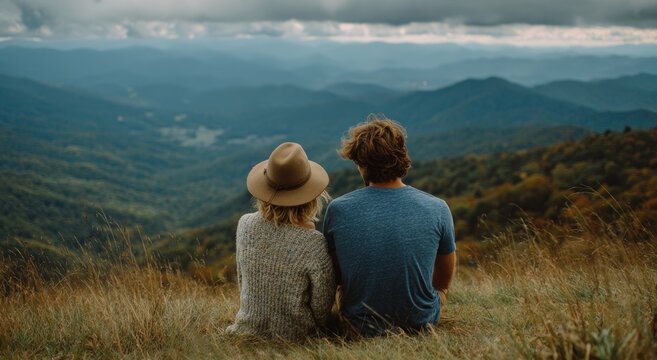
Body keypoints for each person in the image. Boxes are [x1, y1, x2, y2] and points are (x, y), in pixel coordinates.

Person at [323, 116, 457, 337]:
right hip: (421, 321)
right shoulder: (438, 207)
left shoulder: (338, 209)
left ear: (361, 164)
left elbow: (337, 275)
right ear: (401, 157)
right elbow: (444, 277)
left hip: (360, 326)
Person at [226, 142, 336, 341]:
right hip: (297, 338)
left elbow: (243, 282)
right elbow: (321, 309)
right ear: (311, 196)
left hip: (246, 330)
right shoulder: (314, 243)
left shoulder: (245, 225)